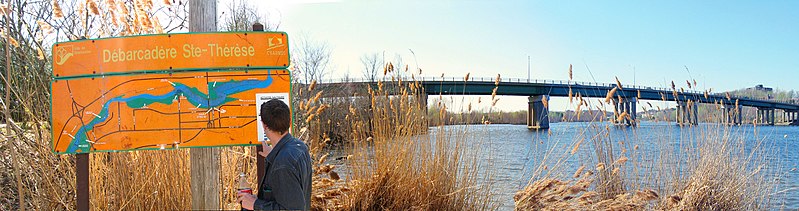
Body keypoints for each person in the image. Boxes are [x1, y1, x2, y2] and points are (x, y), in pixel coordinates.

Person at [237, 99, 312, 210]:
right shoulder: (299, 146)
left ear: (264, 125)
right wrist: (273, 155)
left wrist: (255, 204)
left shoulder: (283, 164)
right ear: (289, 122)